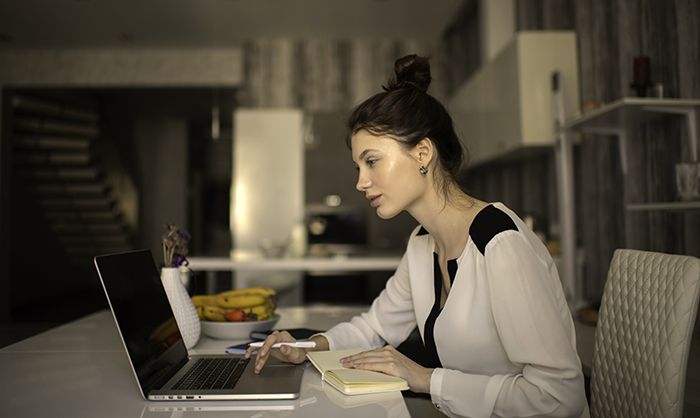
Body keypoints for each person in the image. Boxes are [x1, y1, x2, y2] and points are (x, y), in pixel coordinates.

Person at [245, 54, 589, 418]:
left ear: (423, 153)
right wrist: (309, 345)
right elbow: (377, 327)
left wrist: (426, 379)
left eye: (372, 161)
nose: (360, 182)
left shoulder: (499, 243)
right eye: (359, 167)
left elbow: (559, 397)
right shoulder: (422, 241)